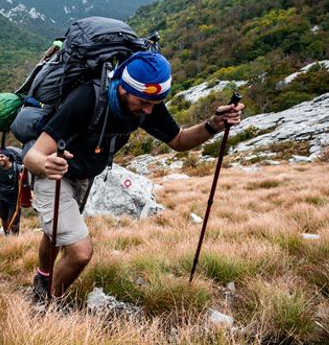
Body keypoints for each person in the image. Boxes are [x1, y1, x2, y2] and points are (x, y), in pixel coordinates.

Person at [24, 51, 243, 303]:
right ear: (124, 88)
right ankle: (44, 303)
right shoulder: (86, 99)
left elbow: (179, 141)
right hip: (53, 174)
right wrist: (46, 164)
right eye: (143, 102)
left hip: (84, 177)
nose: (149, 111)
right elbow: (33, 156)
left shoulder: (148, 105)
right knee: (79, 252)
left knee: (56, 235)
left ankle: (43, 276)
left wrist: (213, 125)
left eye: (155, 103)